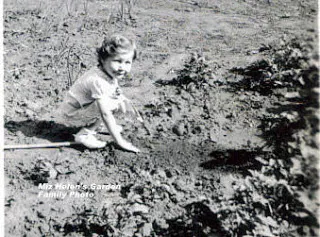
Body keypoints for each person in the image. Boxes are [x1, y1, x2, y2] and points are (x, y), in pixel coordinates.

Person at [59, 34, 140, 153]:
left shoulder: (109, 72)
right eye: (118, 61)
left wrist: (123, 100)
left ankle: (98, 125)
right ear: (103, 60)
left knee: (119, 101)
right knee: (109, 105)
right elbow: (105, 113)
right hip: (71, 116)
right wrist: (119, 141)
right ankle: (85, 134)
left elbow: (114, 89)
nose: (122, 67)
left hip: (83, 109)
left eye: (127, 62)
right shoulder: (97, 80)